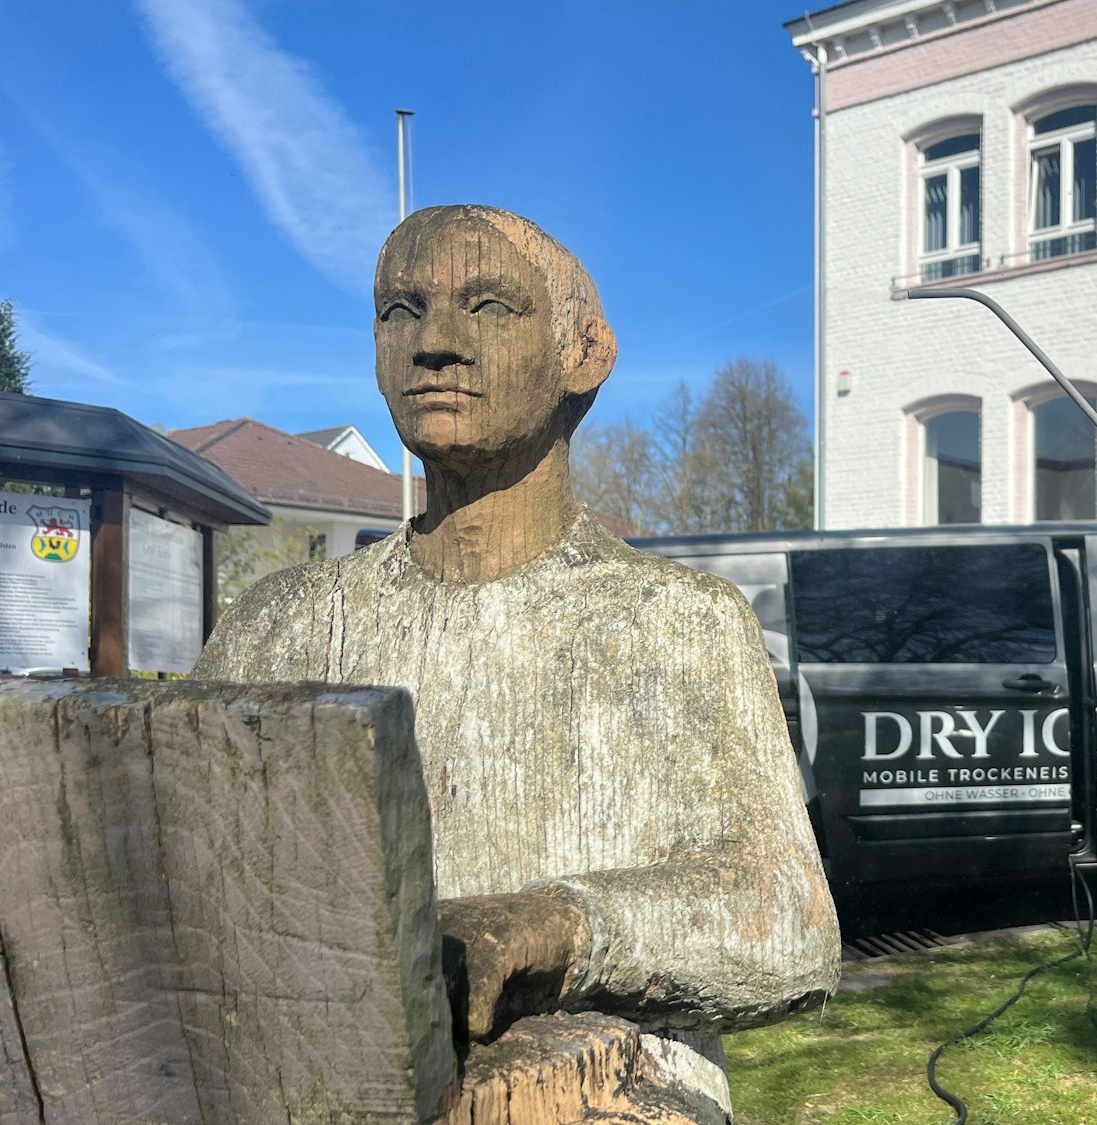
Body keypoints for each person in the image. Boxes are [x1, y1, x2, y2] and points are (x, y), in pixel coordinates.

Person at [195, 205, 839, 1118]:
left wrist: (558, 926)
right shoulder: (279, 630)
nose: (436, 344)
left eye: (490, 306)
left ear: (585, 353)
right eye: (400, 311)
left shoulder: (680, 623)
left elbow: (792, 923)